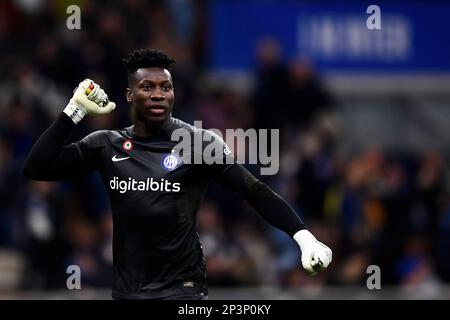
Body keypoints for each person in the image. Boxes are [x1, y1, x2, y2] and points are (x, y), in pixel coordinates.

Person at [23, 48, 332, 300]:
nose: (158, 94)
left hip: (182, 293)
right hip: (127, 293)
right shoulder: (107, 144)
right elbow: (36, 167)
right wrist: (73, 111)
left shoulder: (198, 143)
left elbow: (255, 191)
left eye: (165, 87)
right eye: (147, 87)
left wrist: (303, 237)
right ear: (130, 95)